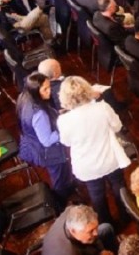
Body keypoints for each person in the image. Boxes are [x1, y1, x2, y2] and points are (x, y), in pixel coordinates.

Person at [57, 76, 130, 226]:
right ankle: (126, 215)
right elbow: (117, 126)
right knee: (118, 186)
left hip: (87, 165)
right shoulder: (102, 107)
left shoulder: (64, 120)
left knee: (97, 195)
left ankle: (105, 224)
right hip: (110, 158)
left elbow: (66, 142)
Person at [16, 72, 74, 205]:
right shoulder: (39, 113)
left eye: (49, 87)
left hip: (33, 144)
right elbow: (47, 140)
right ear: (36, 90)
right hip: (49, 153)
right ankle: (61, 204)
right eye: (45, 89)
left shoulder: (24, 97)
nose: (49, 92)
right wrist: (66, 127)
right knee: (60, 179)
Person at [38, 58, 125, 114]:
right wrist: (94, 94)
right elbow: (81, 96)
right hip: (80, 107)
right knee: (107, 92)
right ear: (55, 73)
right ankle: (116, 111)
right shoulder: (64, 87)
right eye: (58, 66)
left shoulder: (42, 88)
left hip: (69, 109)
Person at [42, 204, 118, 255]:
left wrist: (100, 250)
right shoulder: (68, 252)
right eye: (91, 231)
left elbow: (94, 237)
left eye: (96, 227)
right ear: (73, 231)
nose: (96, 233)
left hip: (81, 246)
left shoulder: (72, 211)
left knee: (106, 228)